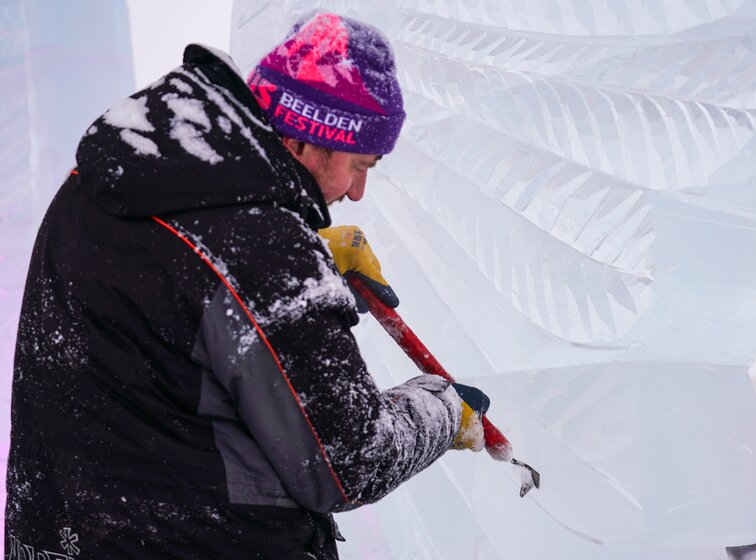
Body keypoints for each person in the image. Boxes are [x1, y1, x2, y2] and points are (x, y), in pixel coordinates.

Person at [5, 11, 489, 559]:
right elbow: (348, 458)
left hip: (61, 534)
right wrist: (444, 411)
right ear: (310, 141)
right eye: (359, 164)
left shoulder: (113, 174)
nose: (356, 192)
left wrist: (295, 262)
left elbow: (170, 288)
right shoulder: (260, 254)